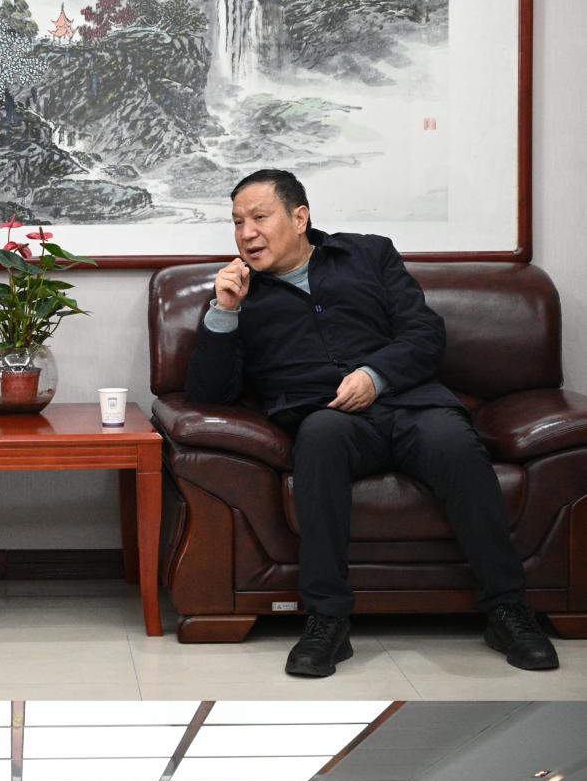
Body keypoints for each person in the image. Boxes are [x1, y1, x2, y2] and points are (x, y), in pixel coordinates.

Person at [185, 167, 559, 678]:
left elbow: (424, 333)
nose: (246, 233)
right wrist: (224, 312)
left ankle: (508, 611)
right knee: (319, 439)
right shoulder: (241, 293)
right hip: (328, 417)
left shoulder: (368, 254)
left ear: (300, 217)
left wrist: (375, 375)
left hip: (410, 403)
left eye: (259, 217)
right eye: (236, 222)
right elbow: (209, 395)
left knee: (455, 443)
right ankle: (327, 620)